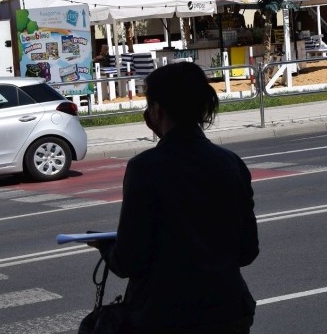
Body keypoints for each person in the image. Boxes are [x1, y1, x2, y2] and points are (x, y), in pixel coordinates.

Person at [92, 61, 259, 334]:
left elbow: (130, 260)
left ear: (157, 110)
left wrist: (106, 248)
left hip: (163, 316)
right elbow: (247, 251)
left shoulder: (144, 168)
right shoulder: (231, 164)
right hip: (228, 312)